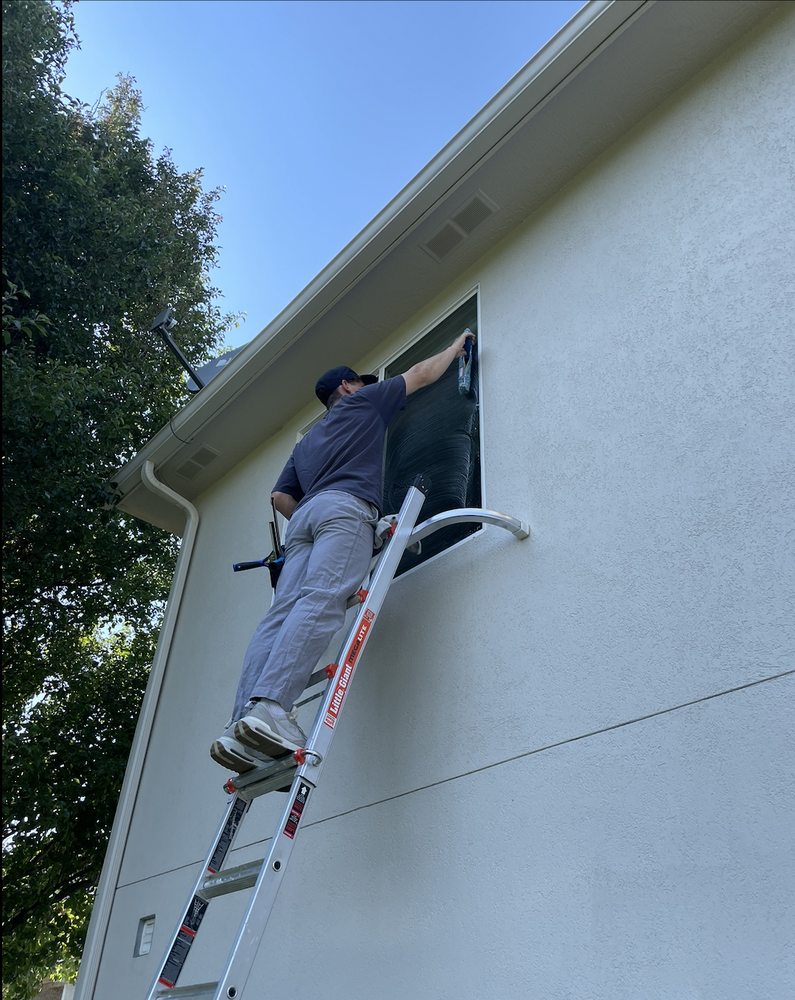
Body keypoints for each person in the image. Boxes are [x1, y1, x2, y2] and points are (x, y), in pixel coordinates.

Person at [210, 330, 476, 772]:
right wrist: (456, 346)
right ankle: (272, 708)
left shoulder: (306, 443)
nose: (372, 387)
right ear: (347, 388)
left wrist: (314, 516)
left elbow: (279, 499)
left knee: (280, 614)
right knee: (323, 600)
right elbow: (418, 374)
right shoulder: (363, 404)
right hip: (344, 510)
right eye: (363, 382)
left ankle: (241, 723)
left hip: (304, 520)